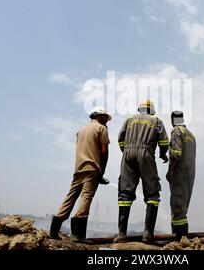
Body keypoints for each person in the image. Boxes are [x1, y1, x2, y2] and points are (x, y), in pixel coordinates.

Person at [49, 107, 111, 243]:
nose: (107, 120)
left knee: (70, 197)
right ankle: (77, 235)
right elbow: (104, 151)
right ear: (99, 116)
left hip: (78, 169)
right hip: (92, 169)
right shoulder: (102, 129)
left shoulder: (81, 130)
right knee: (86, 197)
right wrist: (101, 172)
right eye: (105, 117)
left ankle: (54, 230)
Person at [114, 100, 169, 244]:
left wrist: (127, 152)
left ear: (140, 109)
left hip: (127, 154)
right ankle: (147, 235)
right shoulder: (156, 120)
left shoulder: (129, 119)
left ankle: (121, 234)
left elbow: (120, 139)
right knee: (152, 193)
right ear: (151, 110)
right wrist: (163, 154)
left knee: (125, 193)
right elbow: (164, 142)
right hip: (146, 154)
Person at [166, 110, 196, 241]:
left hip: (179, 173)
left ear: (173, 119)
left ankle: (179, 240)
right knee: (183, 207)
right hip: (189, 175)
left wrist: (170, 171)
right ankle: (183, 239)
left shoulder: (176, 131)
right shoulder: (191, 135)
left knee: (177, 206)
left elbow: (176, 153)